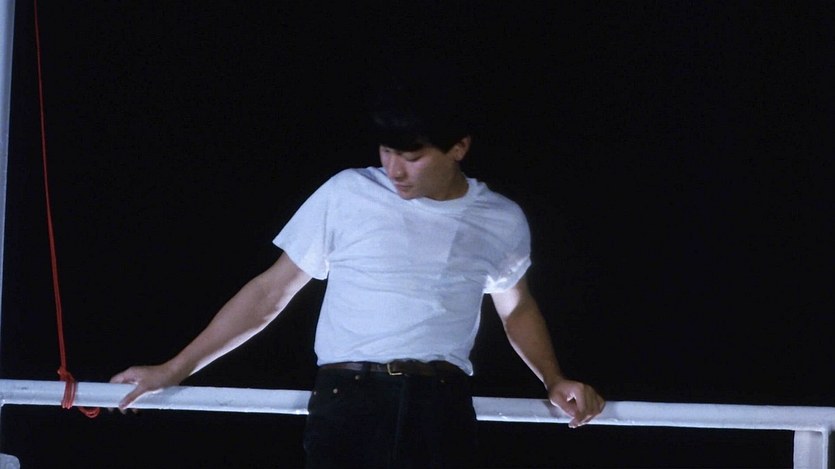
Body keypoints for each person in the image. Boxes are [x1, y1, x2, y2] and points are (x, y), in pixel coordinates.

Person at [111, 61, 605, 468]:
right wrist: (174, 369)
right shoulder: (348, 192)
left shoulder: (500, 217)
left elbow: (516, 307)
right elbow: (269, 293)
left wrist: (553, 379)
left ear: (459, 147)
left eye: (412, 156)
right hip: (350, 399)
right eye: (387, 151)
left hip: (442, 405)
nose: (395, 170)